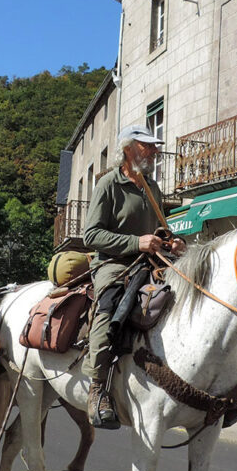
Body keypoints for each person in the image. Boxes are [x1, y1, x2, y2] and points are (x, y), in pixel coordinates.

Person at [82, 124, 185, 429]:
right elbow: (91, 235)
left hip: (150, 261)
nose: (154, 151)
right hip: (114, 264)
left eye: (154, 147)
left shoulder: (151, 187)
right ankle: (97, 387)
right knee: (109, 306)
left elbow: (157, 230)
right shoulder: (108, 185)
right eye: (148, 146)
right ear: (128, 149)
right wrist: (134, 242)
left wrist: (172, 241)